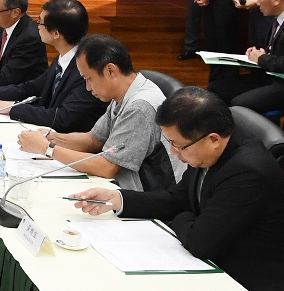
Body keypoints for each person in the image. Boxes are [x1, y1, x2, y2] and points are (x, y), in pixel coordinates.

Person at [72, 87, 284, 291]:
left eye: (178, 145)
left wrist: (184, 217)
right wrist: (118, 199)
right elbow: (179, 199)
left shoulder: (247, 172)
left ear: (213, 139)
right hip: (223, 264)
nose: (174, 153)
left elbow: (200, 241)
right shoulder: (213, 150)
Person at [17, 34, 179, 191]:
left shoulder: (139, 107)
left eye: (89, 79)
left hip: (144, 195)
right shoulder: (123, 93)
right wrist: (53, 138)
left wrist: (48, 148)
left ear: (110, 71)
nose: (88, 88)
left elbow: (107, 167)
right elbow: (94, 140)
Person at [0, 0, 105, 133]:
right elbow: (33, 87)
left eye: (40, 22)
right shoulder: (64, 57)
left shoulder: (86, 70)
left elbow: (62, 118)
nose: (37, 26)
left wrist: (14, 108)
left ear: (56, 33)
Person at [208, 0, 284, 113]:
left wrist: (261, 58)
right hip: (270, 75)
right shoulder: (280, 15)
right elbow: (277, 50)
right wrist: (259, 53)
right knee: (216, 88)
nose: (257, 2)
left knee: (239, 104)